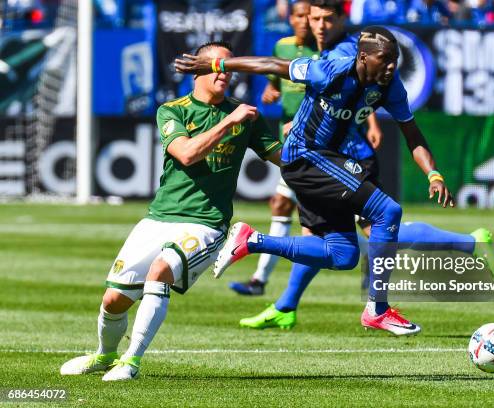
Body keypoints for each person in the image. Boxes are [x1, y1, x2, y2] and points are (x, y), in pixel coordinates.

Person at [233, 0, 494, 330]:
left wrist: (431, 172)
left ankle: (285, 295)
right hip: (313, 156)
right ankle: (304, 302)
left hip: (347, 158)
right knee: (359, 232)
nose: (318, 25)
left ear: (342, 20)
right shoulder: (315, 57)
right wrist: (225, 67)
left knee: (359, 239)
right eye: (312, 18)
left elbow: (398, 122)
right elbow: (275, 68)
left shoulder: (349, 56)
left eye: (326, 19)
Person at [176, 26, 453, 336]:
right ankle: (378, 308)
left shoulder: (390, 86)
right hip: (303, 156)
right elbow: (271, 65)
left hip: (325, 162)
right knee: (387, 211)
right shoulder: (331, 70)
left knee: (343, 254)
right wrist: (217, 64)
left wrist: (434, 174)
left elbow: (412, 134)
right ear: (363, 57)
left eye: (395, 60)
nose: (392, 66)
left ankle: (252, 241)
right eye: (385, 59)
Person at [59, 41, 282, 381]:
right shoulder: (173, 111)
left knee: (161, 270)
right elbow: (188, 153)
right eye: (218, 67)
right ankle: (105, 355)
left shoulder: (246, 116)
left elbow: (283, 159)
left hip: (207, 223)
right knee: (113, 300)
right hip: (159, 217)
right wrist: (228, 123)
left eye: (230, 68)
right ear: (198, 70)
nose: (225, 74)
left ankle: (131, 362)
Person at [229, 0, 319, 296]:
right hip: (294, 142)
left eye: (309, 15)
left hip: (321, 141)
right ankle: (260, 281)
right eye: (299, 15)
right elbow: (277, 81)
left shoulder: (325, 51)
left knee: (330, 224)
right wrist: (272, 90)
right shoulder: (282, 47)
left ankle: (389, 250)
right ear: (291, 19)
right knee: (282, 205)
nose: (304, 21)